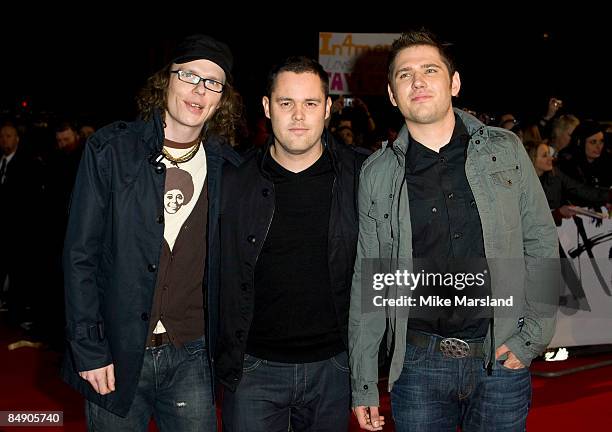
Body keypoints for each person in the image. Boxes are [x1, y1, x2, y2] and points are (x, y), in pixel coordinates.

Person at [349, 29, 559, 431]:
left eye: (430, 70)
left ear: (454, 82)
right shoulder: (377, 174)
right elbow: (371, 278)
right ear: (392, 94)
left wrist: (532, 337)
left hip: (500, 358)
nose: (419, 81)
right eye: (404, 74)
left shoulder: (505, 148)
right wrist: (363, 383)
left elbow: (541, 242)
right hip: (417, 366)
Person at [62, 34, 242, 431]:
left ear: (221, 98)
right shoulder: (110, 150)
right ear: (167, 80)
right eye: (189, 75)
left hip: (193, 354)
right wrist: (89, 348)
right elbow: (80, 257)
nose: (199, 89)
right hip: (118, 353)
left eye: (213, 82)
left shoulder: (229, 168)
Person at [216, 56, 367, 432]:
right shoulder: (231, 181)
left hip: (334, 368)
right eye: (286, 103)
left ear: (328, 109)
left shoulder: (362, 176)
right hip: (252, 368)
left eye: (310, 103)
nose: (298, 115)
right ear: (267, 107)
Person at [525, 140, 610, 224]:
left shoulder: (554, 174)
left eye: (549, 154)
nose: (551, 158)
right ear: (531, 160)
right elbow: (527, 221)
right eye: (544, 156)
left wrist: (609, 196)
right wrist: (557, 214)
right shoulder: (521, 186)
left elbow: (581, 190)